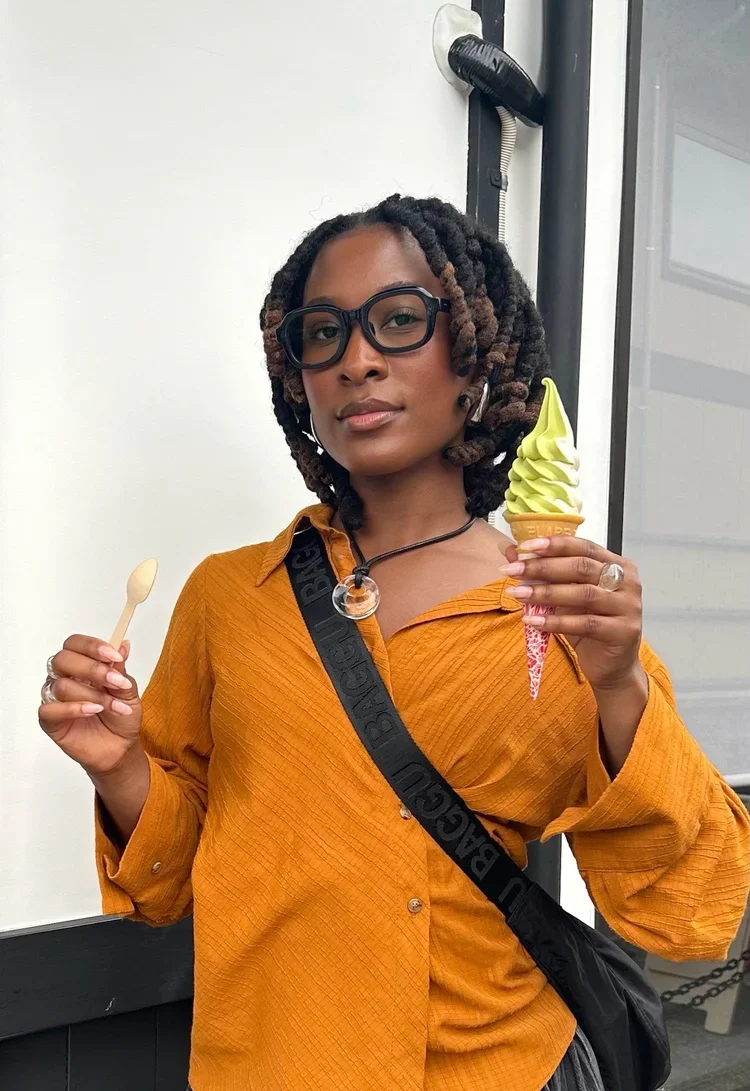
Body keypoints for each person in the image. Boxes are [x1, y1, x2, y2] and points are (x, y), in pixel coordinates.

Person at [39, 195, 750, 1091]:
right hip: (269, 1062)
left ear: (476, 356)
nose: (357, 359)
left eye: (400, 320)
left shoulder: (561, 613)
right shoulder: (231, 598)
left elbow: (688, 907)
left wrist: (620, 687)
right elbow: (171, 877)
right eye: (323, 333)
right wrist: (119, 768)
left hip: (494, 1066)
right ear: (298, 379)